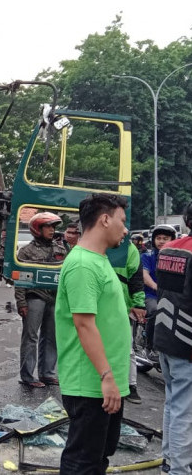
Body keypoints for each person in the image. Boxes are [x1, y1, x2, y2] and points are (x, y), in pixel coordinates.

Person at [55, 193, 130, 474]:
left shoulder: (98, 260)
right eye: (122, 221)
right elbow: (84, 324)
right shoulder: (83, 265)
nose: (125, 229)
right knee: (82, 462)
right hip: (91, 383)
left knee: (99, 456)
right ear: (105, 219)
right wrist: (106, 377)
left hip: (107, 382)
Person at [153, 202, 192, 475]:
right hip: (187, 340)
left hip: (165, 334)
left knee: (172, 402)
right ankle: (180, 469)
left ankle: (169, 460)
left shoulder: (169, 249)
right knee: (184, 410)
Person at [15, 211, 67, 388]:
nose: (52, 230)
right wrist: (21, 302)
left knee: (52, 337)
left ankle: (47, 374)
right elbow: (20, 279)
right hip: (34, 297)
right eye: (48, 226)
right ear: (38, 228)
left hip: (55, 298)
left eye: (53, 227)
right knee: (30, 337)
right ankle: (28, 376)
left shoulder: (61, 249)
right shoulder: (26, 251)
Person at [111, 241, 146, 404]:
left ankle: (131, 385)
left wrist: (138, 304)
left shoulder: (129, 248)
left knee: (127, 347)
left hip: (122, 306)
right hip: (95, 304)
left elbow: (136, 278)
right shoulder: (92, 244)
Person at [141, 224, 176, 362]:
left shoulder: (178, 256)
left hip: (172, 296)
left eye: (165, 238)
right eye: (159, 238)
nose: (161, 241)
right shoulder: (147, 256)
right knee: (156, 310)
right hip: (151, 295)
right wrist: (157, 287)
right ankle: (150, 347)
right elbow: (145, 276)